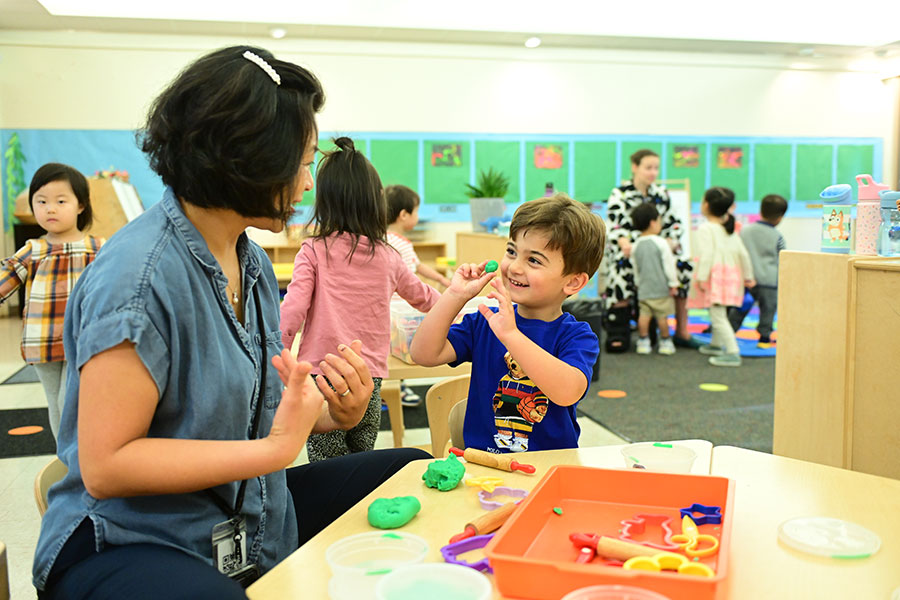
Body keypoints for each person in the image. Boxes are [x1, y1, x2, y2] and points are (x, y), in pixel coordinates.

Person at [33, 46, 430, 600]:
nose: (307, 185)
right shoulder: (138, 279)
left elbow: (252, 411)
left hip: (245, 512)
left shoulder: (251, 262)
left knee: (412, 470)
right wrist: (274, 450)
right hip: (135, 538)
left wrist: (330, 411)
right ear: (248, 156)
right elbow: (107, 465)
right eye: (301, 162)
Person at [280, 138, 440, 462]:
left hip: (323, 376)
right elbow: (425, 299)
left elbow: (292, 311)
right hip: (371, 379)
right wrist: (462, 302)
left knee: (327, 469)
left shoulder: (313, 250)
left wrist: (274, 355)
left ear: (325, 201)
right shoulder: (390, 256)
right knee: (359, 460)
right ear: (375, 201)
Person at [410, 193, 606, 453]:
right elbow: (422, 353)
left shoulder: (576, 336)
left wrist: (511, 335)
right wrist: (455, 296)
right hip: (484, 465)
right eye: (512, 251)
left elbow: (567, 391)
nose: (514, 267)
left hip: (550, 468)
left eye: (534, 260)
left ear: (572, 282)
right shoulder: (485, 321)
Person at [0, 163, 103, 440]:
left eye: (60, 201)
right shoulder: (34, 249)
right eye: (41, 201)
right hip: (42, 339)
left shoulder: (97, 248)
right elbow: (5, 276)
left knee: (69, 402)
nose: (50, 209)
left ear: (81, 205)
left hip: (81, 338)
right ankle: (66, 460)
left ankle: (79, 458)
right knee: (55, 400)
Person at [603, 149, 696, 352]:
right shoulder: (620, 193)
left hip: (659, 247)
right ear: (635, 167)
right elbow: (615, 226)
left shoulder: (661, 194)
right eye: (648, 167)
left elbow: (674, 224)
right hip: (630, 249)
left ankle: (681, 330)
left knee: (684, 265)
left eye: (656, 168)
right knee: (621, 267)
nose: (653, 172)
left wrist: (670, 240)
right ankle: (618, 328)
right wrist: (625, 242)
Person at [384, 184, 451, 406]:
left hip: (394, 303)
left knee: (394, 350)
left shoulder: (387, 239)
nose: (417, 216)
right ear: (404, 215)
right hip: (400, 304)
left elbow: (418, 266)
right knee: (401, 349)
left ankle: (395, 386)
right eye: (416, 211)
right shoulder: (398, 244)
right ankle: (398, 387)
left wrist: (441, 279)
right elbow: (406, 277)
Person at [688, 187, 755, 367]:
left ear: (707, 205)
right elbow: (743, 254)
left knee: (717, 315)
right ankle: (716, 345)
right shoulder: (729, 227)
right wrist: (748, 276)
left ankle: (733, 352)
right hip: (731, 276)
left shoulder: (706, 228)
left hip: (714, 277)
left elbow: (706, 255)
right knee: (719, 312)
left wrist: (701, 278)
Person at [727, 194, 787, 346]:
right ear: (780, 217)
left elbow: (737, 252)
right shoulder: (777, 236)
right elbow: (783, 259)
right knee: (768, 310)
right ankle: (764, 338)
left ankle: (727, 334)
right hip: (769, 281)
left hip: (747, 279)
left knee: (740, 308)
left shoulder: (745, 231)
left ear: (761, 211)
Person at [629, 203, 678, 356]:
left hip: (643, 288)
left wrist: (638, 283)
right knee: (661, 316)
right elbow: (669, 265)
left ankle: (643, 342)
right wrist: (673, 283)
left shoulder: (635, 245)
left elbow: (635, 268)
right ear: (653, 222)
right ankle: (665, 342)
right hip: (660, 288)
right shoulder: (661, 243)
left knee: (644, 316)